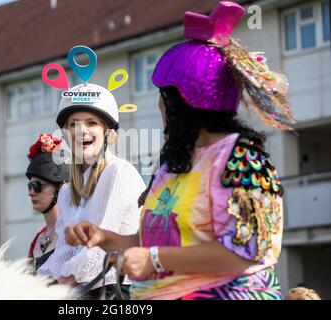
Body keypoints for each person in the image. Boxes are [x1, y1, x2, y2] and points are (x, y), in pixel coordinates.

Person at [64, 1, 295, 300]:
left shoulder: (242, 159)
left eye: (164, 97)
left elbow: (246, 251)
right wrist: (104, 238)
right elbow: (159, 240)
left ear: (183, 103)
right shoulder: (174, 164)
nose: (160, 106)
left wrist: (155, 260)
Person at [37, 51, 146, 299]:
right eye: (73, 124)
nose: (81, 130)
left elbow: (97, 249)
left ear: (107, 130)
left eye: (91, 122)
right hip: (80, 291)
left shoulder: (119, 172)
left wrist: (60, 284)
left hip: (116, 291)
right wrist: (36, 282)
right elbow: (63, 251)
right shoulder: (67, 192)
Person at [26, 133, 69, 274]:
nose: (31, 192)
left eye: (38, 185)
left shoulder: (73, 234)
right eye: (30, 185)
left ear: (61, 187)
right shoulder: (37, 240)